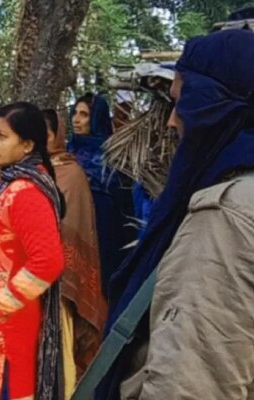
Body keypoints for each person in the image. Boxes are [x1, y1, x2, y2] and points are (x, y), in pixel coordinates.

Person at [95, 29, 254, 400]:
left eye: (183, 103)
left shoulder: (225, 217)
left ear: (215, 106)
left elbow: (189, 383)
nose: (171, 121)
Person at [0, 102, 65, 400]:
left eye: (2, 136)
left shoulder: (27, 193)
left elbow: (49, 260)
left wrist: (4, 300)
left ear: (27, 144)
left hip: (7, 325)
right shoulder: (11, 184)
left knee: (6, 390)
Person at [44, 109, 105, 381]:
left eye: (43, 134)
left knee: (60, 352)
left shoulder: (71, 173)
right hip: (26, 281)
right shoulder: (29, 171)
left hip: (61, 281)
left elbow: (72, 226)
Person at [69, 94, 135, 296]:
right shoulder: (69, 151)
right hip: (74, 225)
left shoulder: (112, 154)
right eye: (75, 113)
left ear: (96, 118)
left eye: (84, 115)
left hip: (106, 227)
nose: (76, 120)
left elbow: (123, 199)